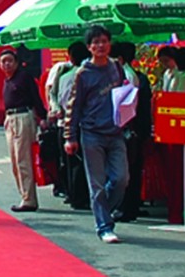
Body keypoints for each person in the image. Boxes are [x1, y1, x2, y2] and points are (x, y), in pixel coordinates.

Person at [64, 25, 128, 244]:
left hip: (116, 132)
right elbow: (74, 106)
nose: (100, 46)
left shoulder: (116, 68)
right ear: (89, 47)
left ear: (109, 43)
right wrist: (70, 137)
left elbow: (123, 93)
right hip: (92, 134)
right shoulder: (83, 74)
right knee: (97, 184)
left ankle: (104, 213)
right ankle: (104, 227)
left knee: (121, 179)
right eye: (96, 42)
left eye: (104, 41)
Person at [0, 47, 46, 213]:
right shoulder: (7, 80)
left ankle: (29, 199)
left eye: (10, 61)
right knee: (14, 161)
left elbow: (36, 98)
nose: (7, 64)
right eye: (3, 62)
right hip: (10, 119)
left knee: (23, 159)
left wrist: (43, 117)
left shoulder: (24, 77)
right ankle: (24, 195)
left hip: (23, 118)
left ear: (17, 63)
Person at [111, 42, 153, 223]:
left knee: (126, 170)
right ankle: (130, 206)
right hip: (135, 131)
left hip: (129, 131)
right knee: (131, 170)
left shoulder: (128, 77)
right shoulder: (135, 75)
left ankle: (126, 208)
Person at [44, 42, 88, 203]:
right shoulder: (87, 75)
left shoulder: (63, 76)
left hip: (64, 124)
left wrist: (56, 111)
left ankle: (72, 194)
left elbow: (52, 94)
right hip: (83, 124)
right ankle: (81, 196)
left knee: (69, 161)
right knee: (82, 162)